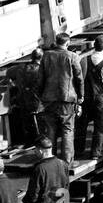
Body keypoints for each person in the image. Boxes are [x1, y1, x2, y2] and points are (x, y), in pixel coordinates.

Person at [38, 32, 84, 168]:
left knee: (50, 130)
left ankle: (49, 162)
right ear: (67, 43)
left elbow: (40, 78)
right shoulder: (72, 56)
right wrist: (80, 96)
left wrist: (41, 96)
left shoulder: (46, 56)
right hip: (67, 98)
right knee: (67, 130)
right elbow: (79, 78)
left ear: (56, 42)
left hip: (49, 99)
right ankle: (67, 163)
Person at [79, 35, 103, 159]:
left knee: (82, 125)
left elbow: (79, 79)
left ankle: (78, 150)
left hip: (87, 97)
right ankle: (95, 153)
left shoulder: (84, 60)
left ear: (94, 45)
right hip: (101, 99)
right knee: (99, 126)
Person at [24, 136, 70, 203]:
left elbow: (34, 194)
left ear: (41, 150)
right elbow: (66, 186)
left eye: (35, 149)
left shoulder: (40, 168)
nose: (35, 152)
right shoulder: (63, 164)